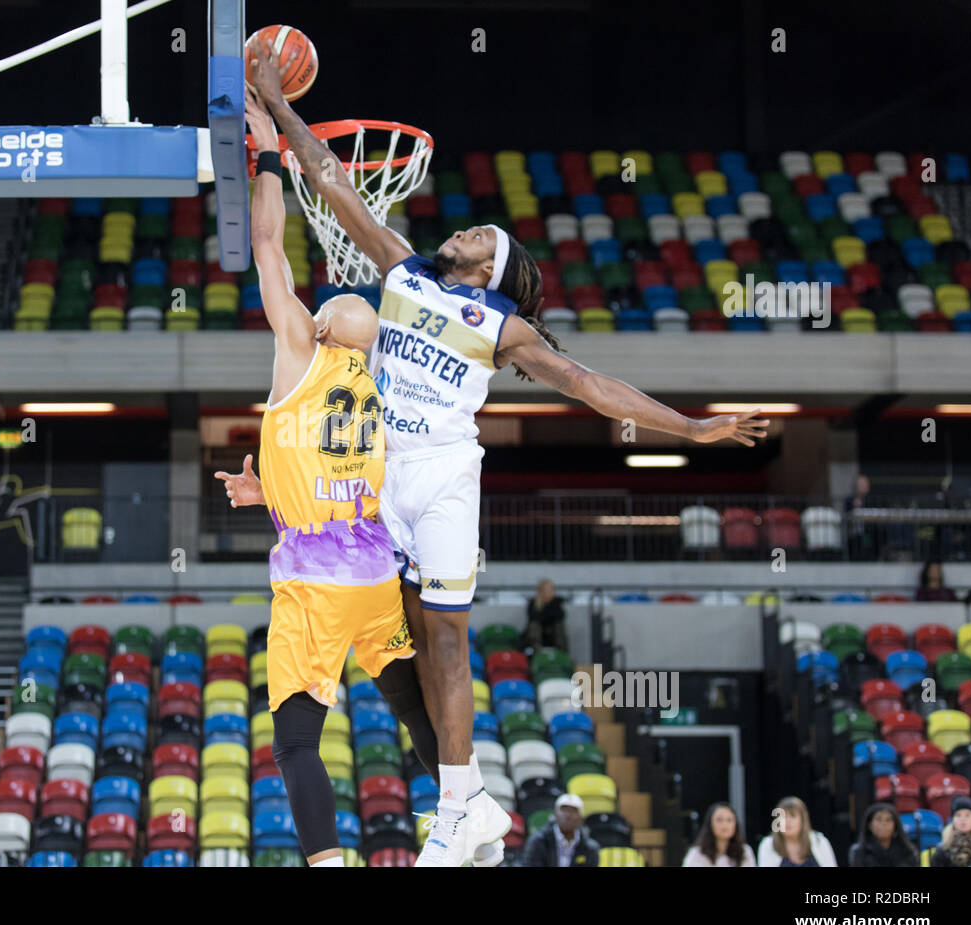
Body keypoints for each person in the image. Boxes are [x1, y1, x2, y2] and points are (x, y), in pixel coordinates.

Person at [245, 42, 769, 866]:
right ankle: (472, 804)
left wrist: (693, 429)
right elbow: (335, 182)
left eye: (472, 234)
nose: (454, 229)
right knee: (407, 656)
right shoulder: (404, 273)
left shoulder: (505, 328)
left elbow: (589, 384)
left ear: (490, 267)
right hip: (379, 481)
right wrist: (276, 111)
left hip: (448, 477)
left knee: (445, 642)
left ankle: (456, 811)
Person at [226, 90, 475, 867]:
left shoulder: (300, 346)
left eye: (335, 298)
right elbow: (350, 472)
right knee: (409, 703)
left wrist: (266, 156)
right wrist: (275, 489)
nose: (331, 295)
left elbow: (269, 243)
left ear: (329, 322)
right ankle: (468, 816)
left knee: (297, 744)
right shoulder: (385, 384)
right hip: (371, 571)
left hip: (313, 578)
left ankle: (329, 862)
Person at [757, 796, 837, 866]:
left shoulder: (819, 841)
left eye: (792, 816)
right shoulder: (768, 844)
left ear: (803, 820)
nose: (787, 821)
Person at [522, 794, 599, 867]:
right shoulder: (538, 842)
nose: (568, 815)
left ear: (581, 818)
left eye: (573, 811)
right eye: (564, 810)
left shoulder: (590, 848)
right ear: (555, 814)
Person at [682, 802, 756, 866]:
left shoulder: (745, 851)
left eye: (729, 820)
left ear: (735, 824)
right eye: (719, 820)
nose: (724, 825)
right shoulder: (697, 854)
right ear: (710, 824)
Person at [847, 802, 918, 867]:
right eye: (879, 819)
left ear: (895, 826)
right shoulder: (860, 853)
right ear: (870, 825)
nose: (884, 823)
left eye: (888, 820)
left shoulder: (907, 852)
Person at [930, 795, 971, 867]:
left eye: (967, 815)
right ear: (953, 820)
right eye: (958, 815)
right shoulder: (943, 849)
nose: (963, 819)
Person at [525, 578, 566, 650]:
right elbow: (533, 617)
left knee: (559, 626)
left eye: (551, 589)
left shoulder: (557, 602)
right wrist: (548, 614)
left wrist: (547, 610)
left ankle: (561, 651)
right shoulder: (533, 603)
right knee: (534, 626)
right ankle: (536, 651)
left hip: (552, 632)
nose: (549, 592)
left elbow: (560, 616)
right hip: (539, 632)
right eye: (546, 590)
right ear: (541, 591)